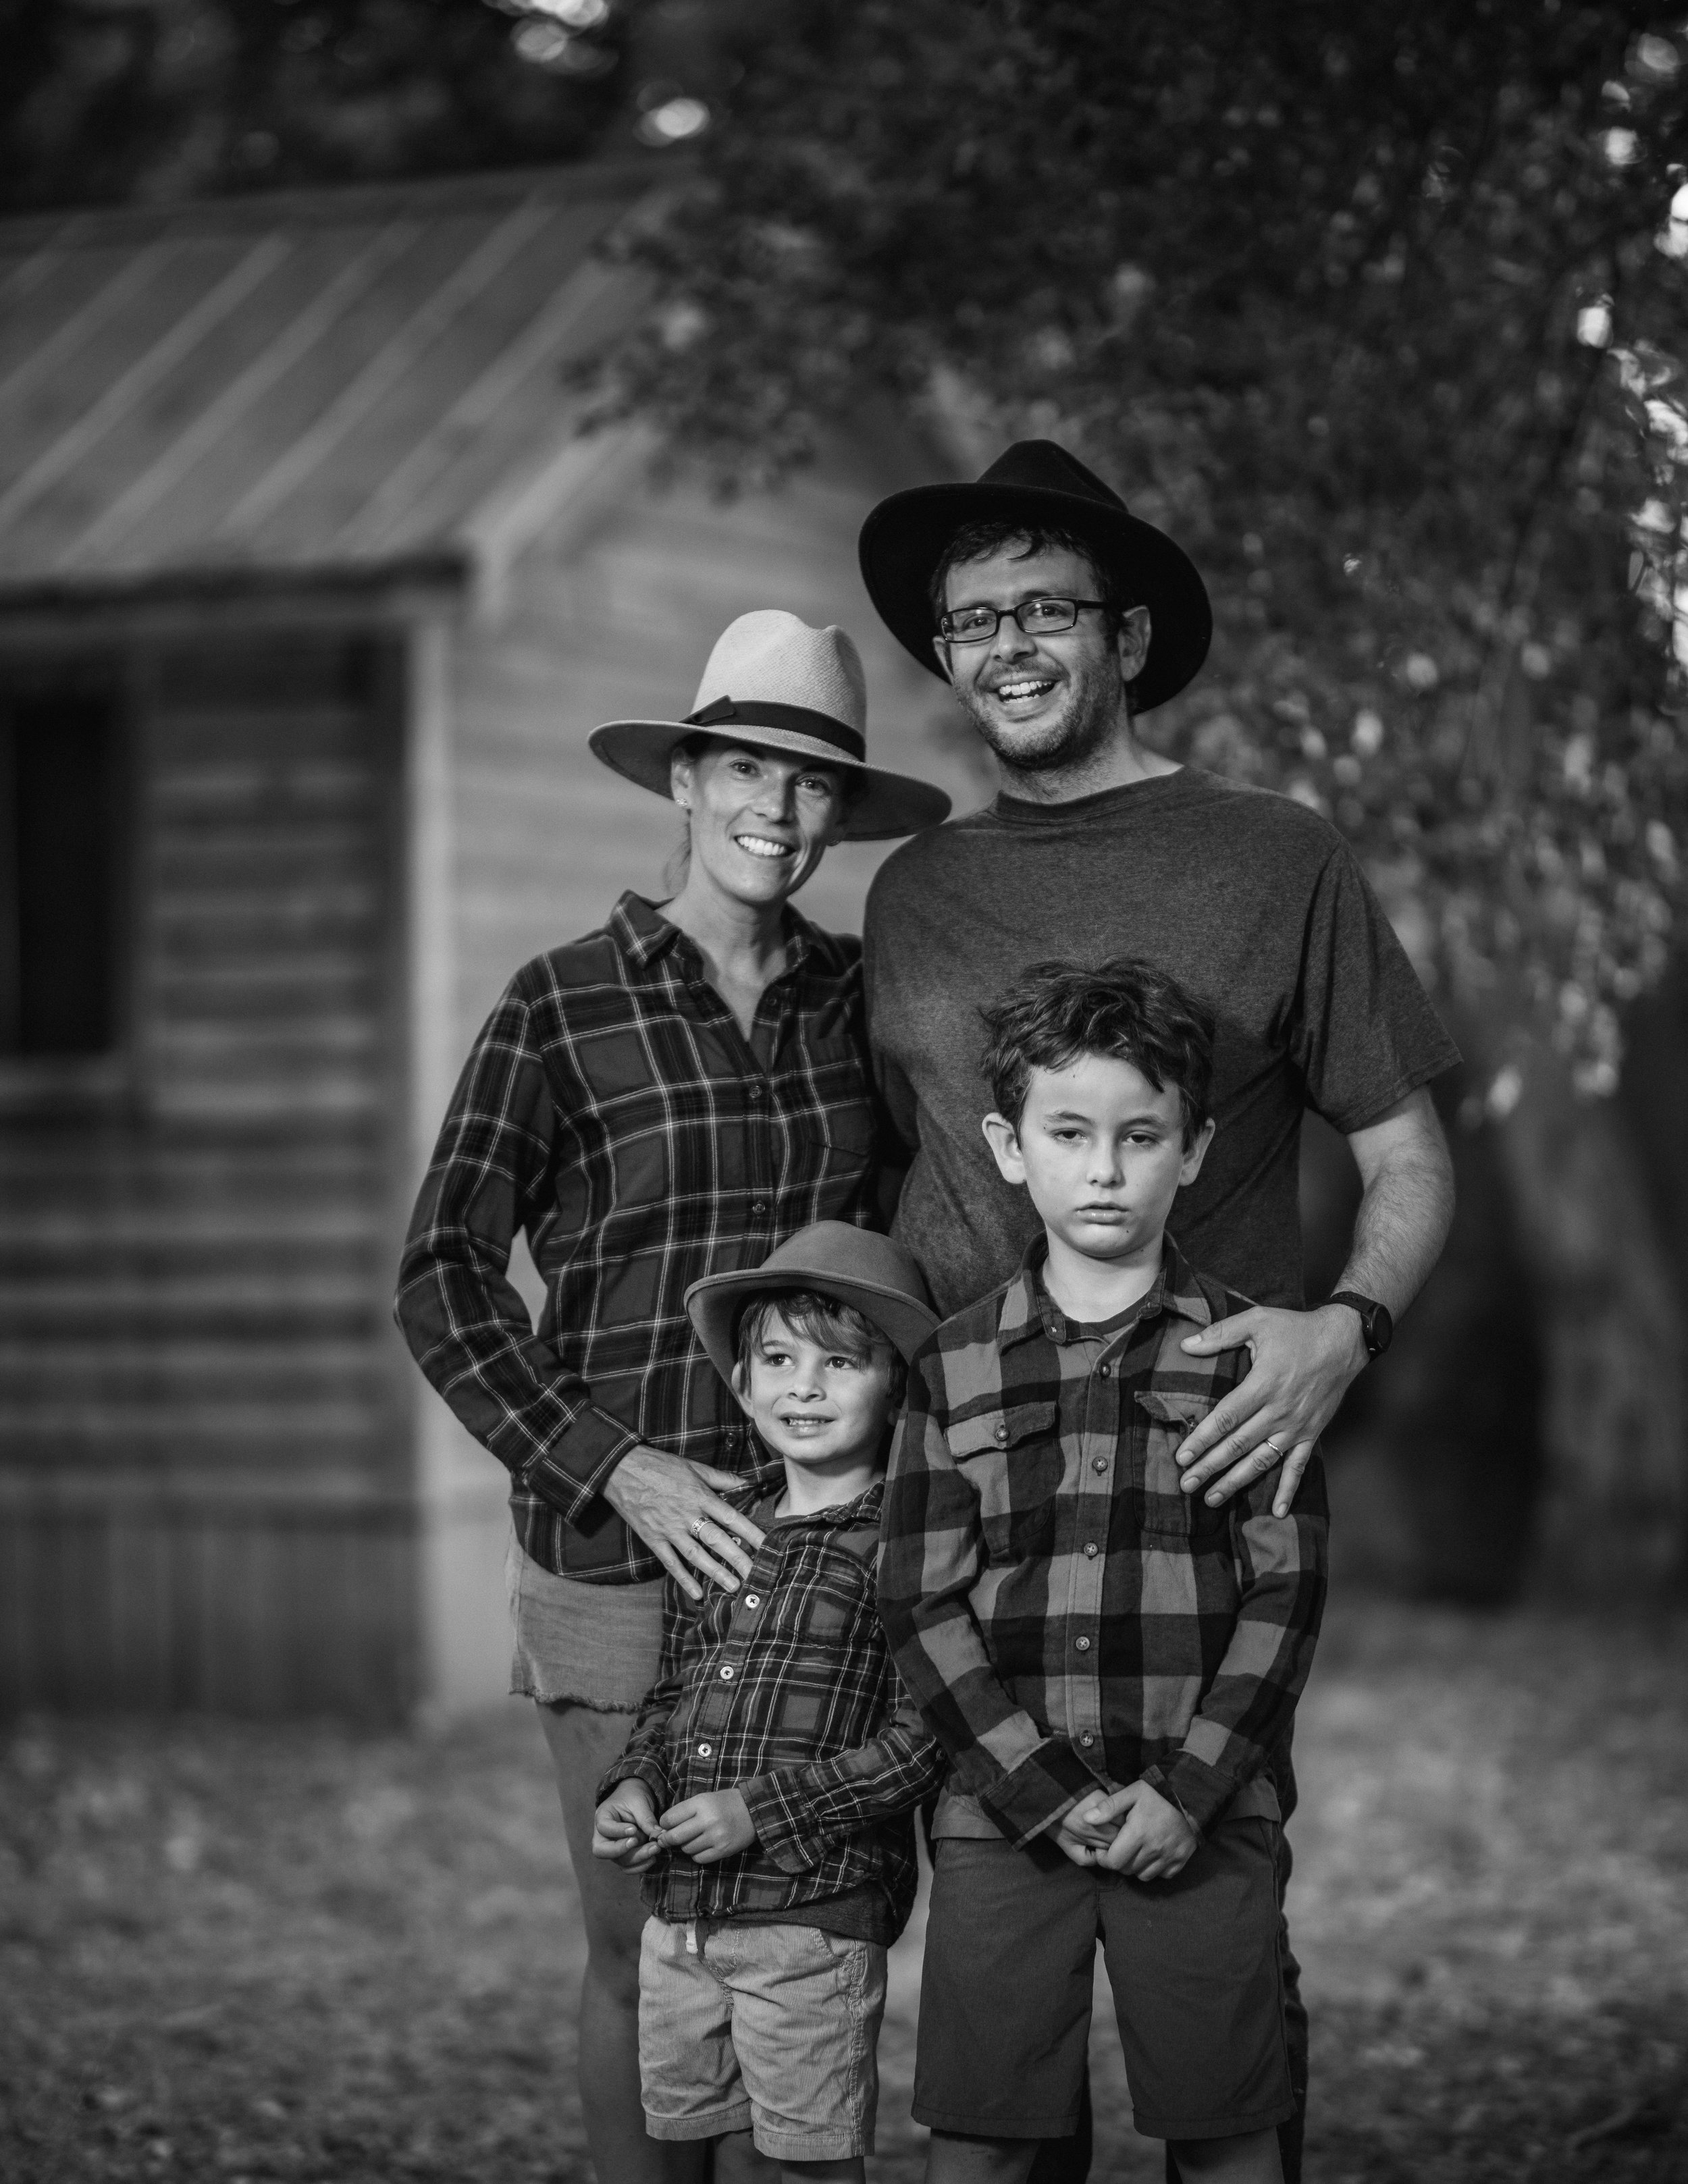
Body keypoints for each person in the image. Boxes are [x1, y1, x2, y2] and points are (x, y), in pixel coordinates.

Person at [856, 440, 1459, 2179]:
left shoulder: (1273, 856)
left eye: (1044, 606)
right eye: (971, 621)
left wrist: (1344, 1327)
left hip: (1201, 1496)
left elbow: (1408, 1153)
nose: (1006, 646)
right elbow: (885, 1177)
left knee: (1213, 2034)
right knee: (1000, 2053)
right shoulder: (912, 893)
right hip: (972, 1500)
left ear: (1124, 630)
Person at [395, 612, 949, 2184]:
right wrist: (611, 1463)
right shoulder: (560, 1002)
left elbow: (913, 1248)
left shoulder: (865, 1009)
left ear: (843, 814)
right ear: (688, 778)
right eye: (748, 770)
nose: (778, 810)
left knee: (795, 1947)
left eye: (813, 784)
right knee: (643, 1948)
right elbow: (439, 1272)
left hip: (824, 1556)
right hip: (619, 1552)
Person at [879, 958, 1330, 2184]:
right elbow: (919, 1601)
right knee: (983, 2146)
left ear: (1192, 1150)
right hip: (1001, 1816)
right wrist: (1034, 1791)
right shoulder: (954, 1367)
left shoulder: (1253, 1363)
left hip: (1201, 1806)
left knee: (1231, 2133)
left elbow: (1284, 1596)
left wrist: (1187, 1794)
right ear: (1009, 1145)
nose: (1106, 1168)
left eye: (1142, 1136)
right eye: (1069, 1133)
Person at [592, 1222, 945, 2184]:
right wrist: (632, 1786)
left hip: (810, 1919)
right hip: (683, 1916)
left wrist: (760, 1812)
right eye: (779, 1361)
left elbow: (925, 1740)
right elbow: (674, 1694)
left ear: (895, 1385)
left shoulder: (905, 1544)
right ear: (743, 1386)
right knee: (688, 2141)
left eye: (840, 1362)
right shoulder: (722, 1527)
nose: (805, 1386)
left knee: (810, 2162)